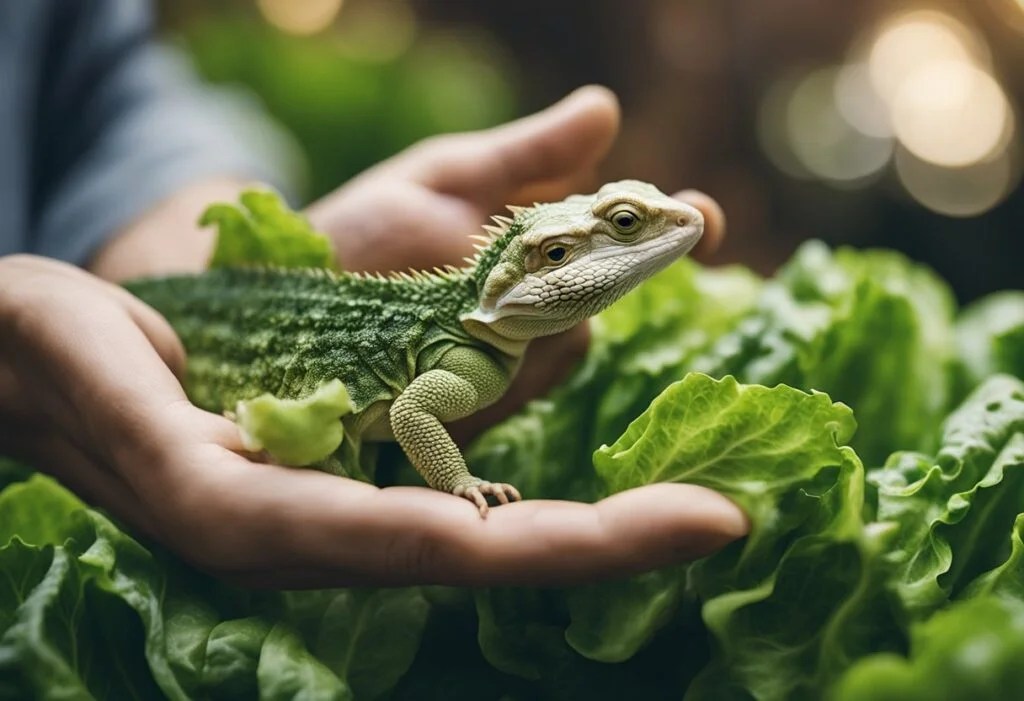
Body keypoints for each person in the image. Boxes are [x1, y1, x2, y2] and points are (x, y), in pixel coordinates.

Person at [0, 0, 747, 587]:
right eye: (620, 225)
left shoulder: (483, 343)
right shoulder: (470, 366)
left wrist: (170, 221)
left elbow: (110, 85)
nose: (660, 228)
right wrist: (459, 480)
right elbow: (415, 407)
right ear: (541, 261)